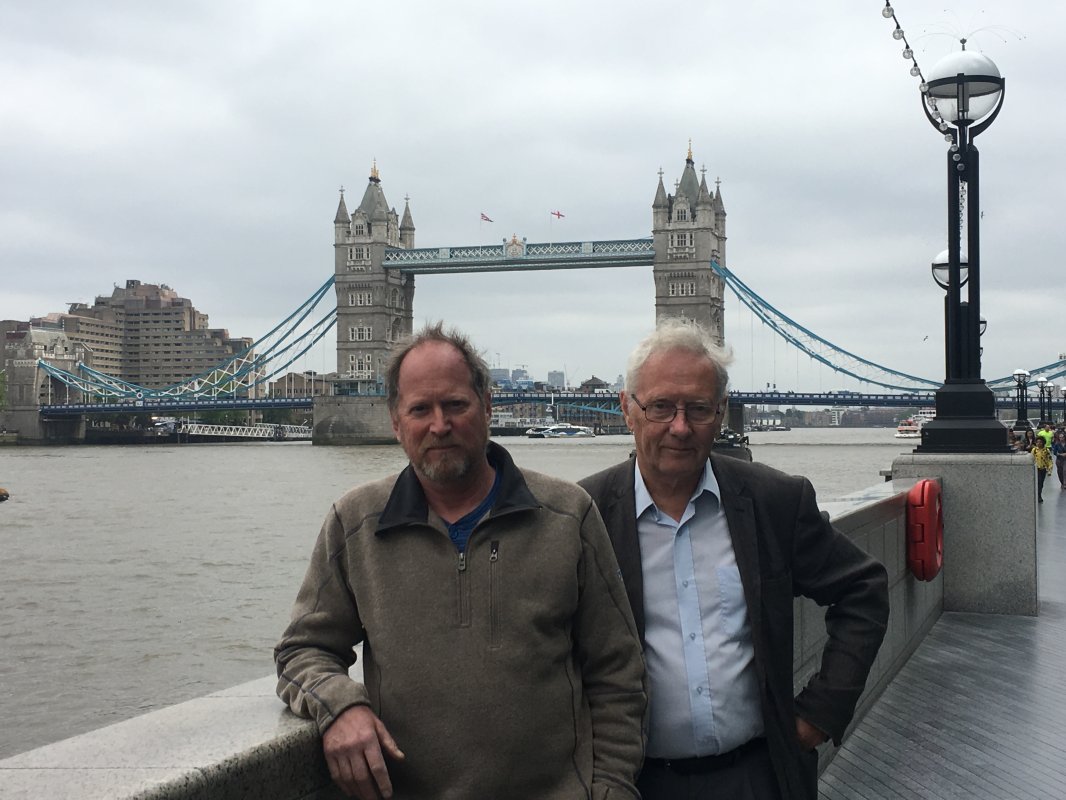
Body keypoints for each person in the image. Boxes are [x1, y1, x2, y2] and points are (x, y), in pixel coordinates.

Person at [274, 323, 646, 800]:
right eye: (419, 410)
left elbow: (619, 672)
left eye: (455, 405)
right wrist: (340, 706)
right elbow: (301, 650)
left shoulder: (568, 515)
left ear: (487, 406)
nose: (439, 425)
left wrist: (611, 788)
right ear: (395, 421)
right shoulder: (355, 523)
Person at [579, 321, 889, 800]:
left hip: (758, 776)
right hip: (633, 783)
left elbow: (863, 589)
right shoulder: (584, 515)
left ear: (722, 413)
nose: (680, 427)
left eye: (698, 409)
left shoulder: (774, 501)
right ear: (627, 409)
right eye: (661, 407)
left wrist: (821, 712)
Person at [1033, 435, 1053, 502]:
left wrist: (1050, 469)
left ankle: (1039, 494)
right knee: (1038, 482)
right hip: (1036, 469)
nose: (1039, 443)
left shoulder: (1046, 450)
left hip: (1043, 469)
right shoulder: (1034, 450)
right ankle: (1037, 496)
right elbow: (1031, 459)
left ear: (1043, 443)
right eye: (1037, 442)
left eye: (1040, 442)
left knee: (1041, 483)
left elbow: (1049, 460)